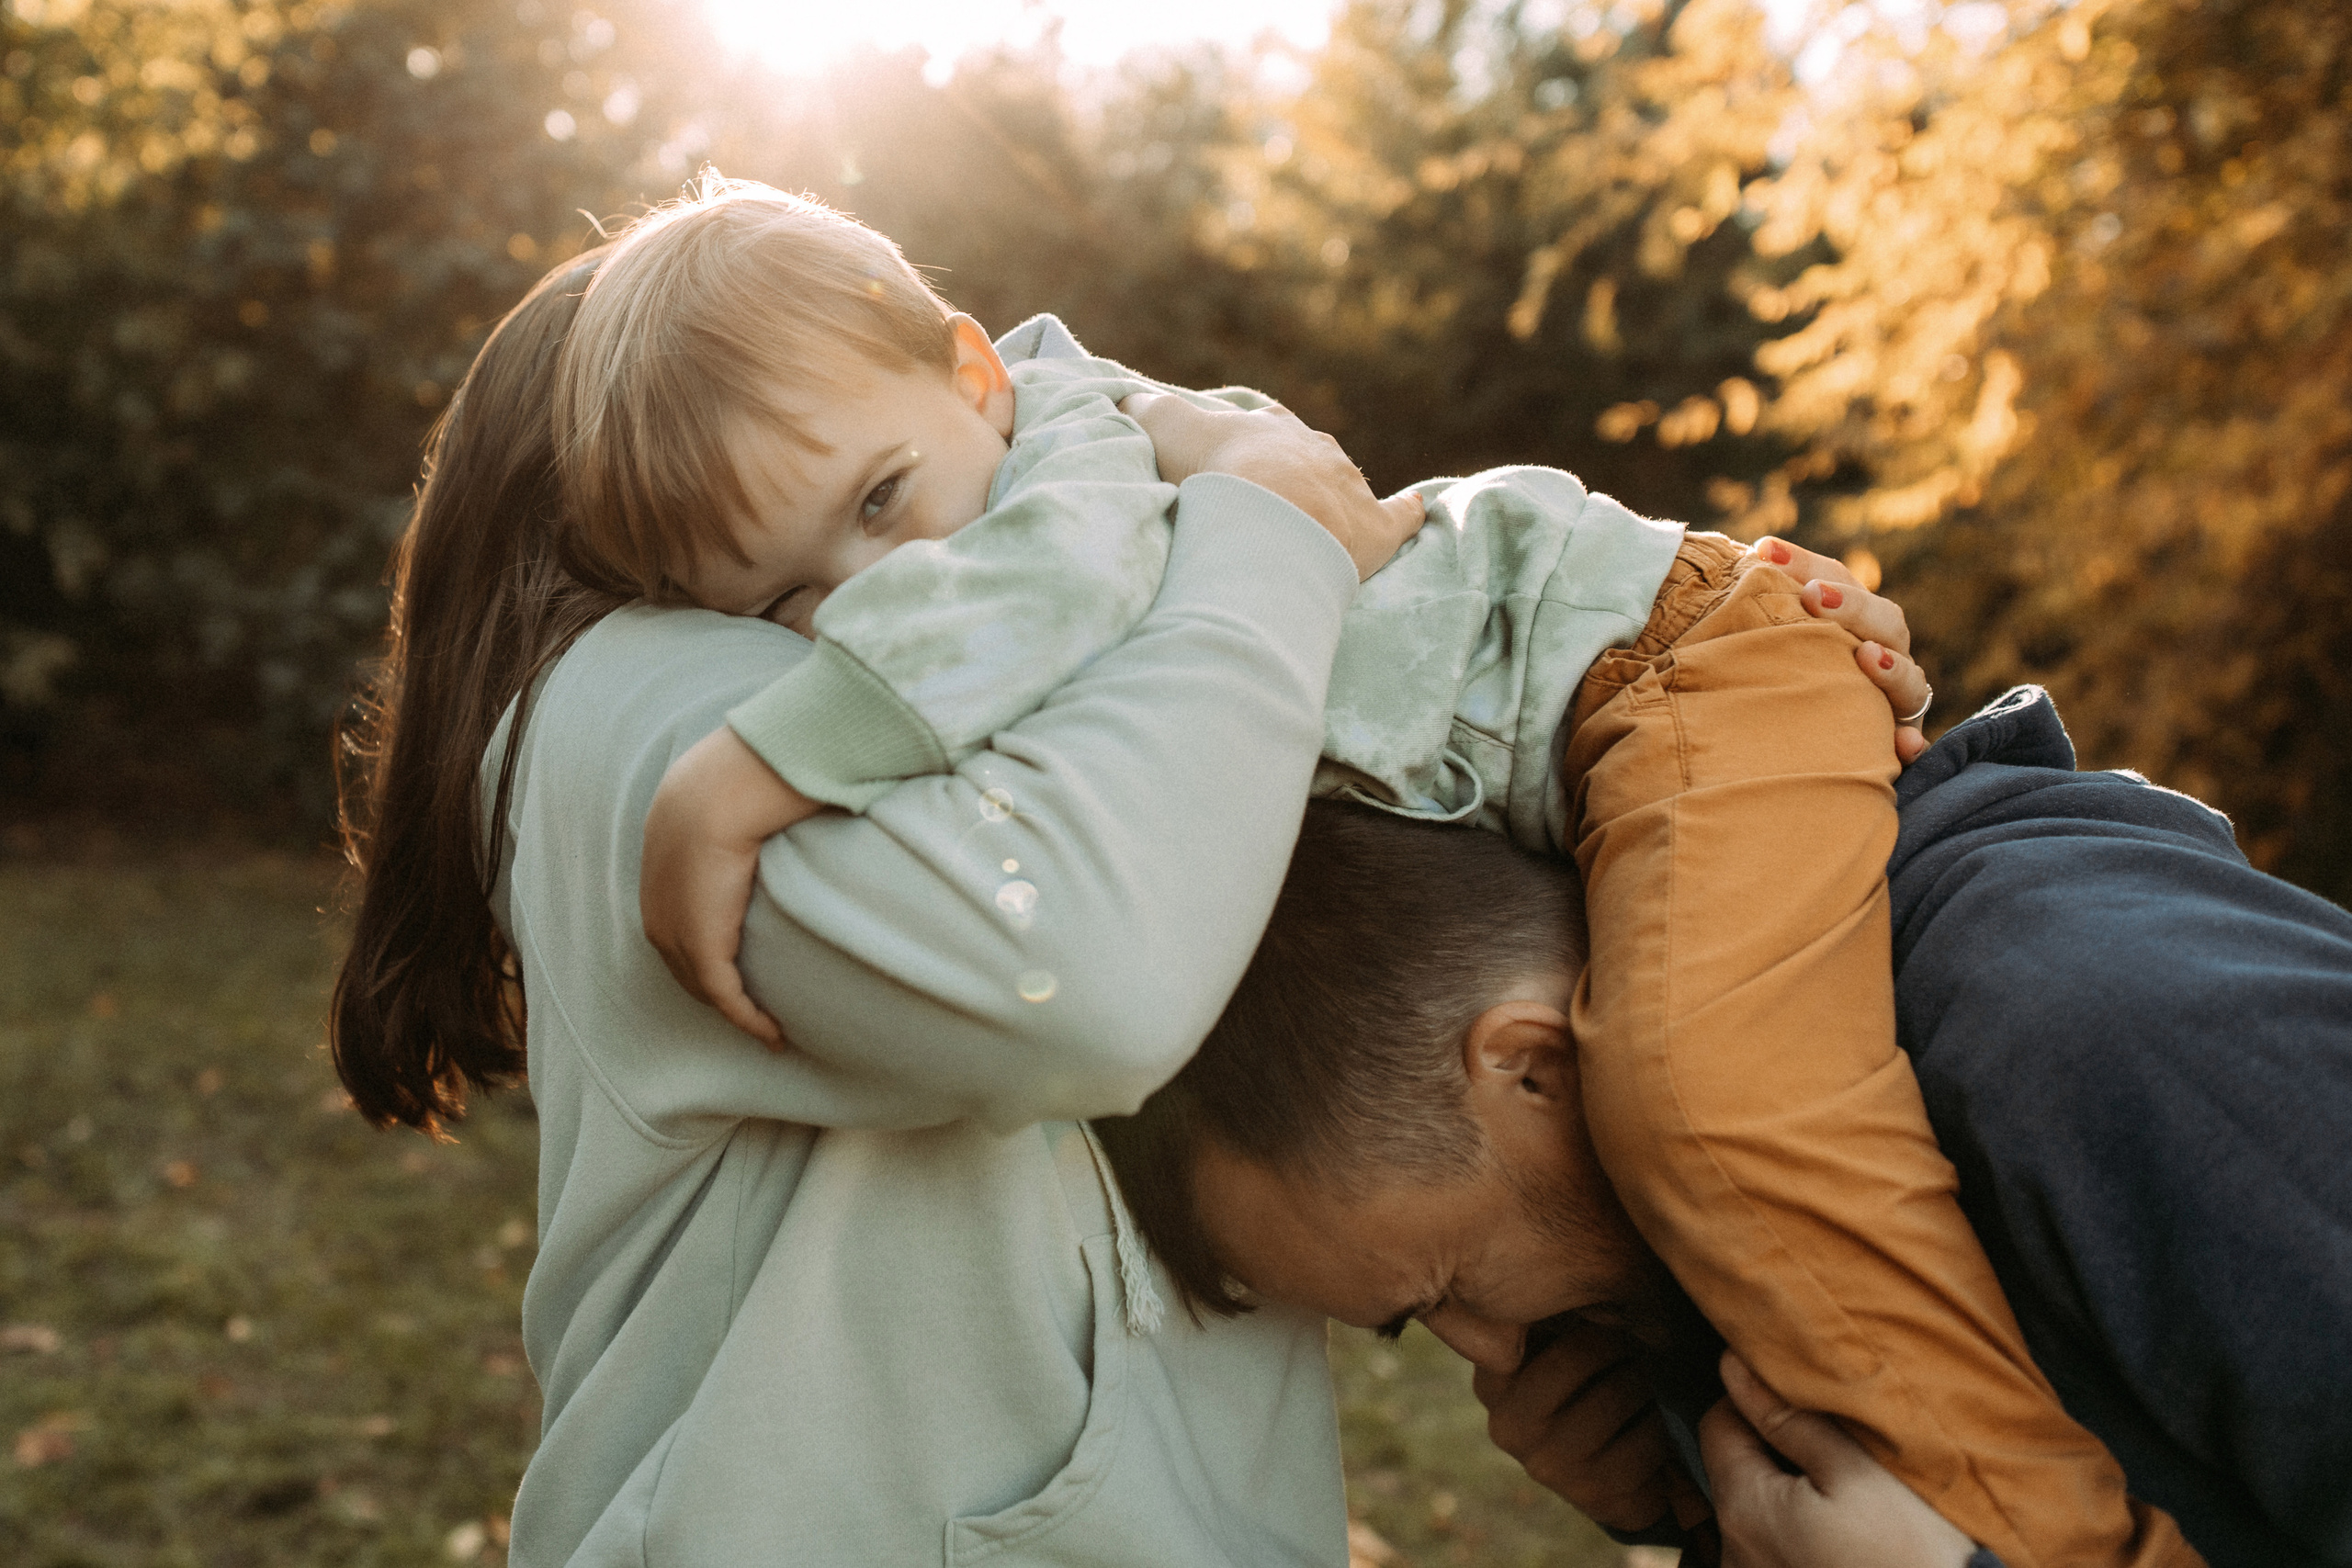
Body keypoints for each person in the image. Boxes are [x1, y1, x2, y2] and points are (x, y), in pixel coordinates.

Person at [563, 176, 2181, 1567]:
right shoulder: (992, 443)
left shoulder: (1065, 484)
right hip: (1617, 702)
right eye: (787, 600)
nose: (876, 587)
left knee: (1719, 1101)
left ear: (972, 373)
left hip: (1661, 668)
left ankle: (2044, 1536)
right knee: (1687, 1163)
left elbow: (1014, 609)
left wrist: (756, 762)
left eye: (876, 503)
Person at [328, 245, 1419, 1562]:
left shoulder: (849, 625)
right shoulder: (642, 704)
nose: (899, 595)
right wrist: (1263, 534)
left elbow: (1020, 419)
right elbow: (1087, 976)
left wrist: (1163, 426)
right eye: (784, 586)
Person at [1093, 687, 2352, 1567]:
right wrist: (1676, 1509)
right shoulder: (1717, 1285)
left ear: (1531, 1067)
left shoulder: (2089, 1022)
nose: (1487, 1355)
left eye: (1447, 1282)